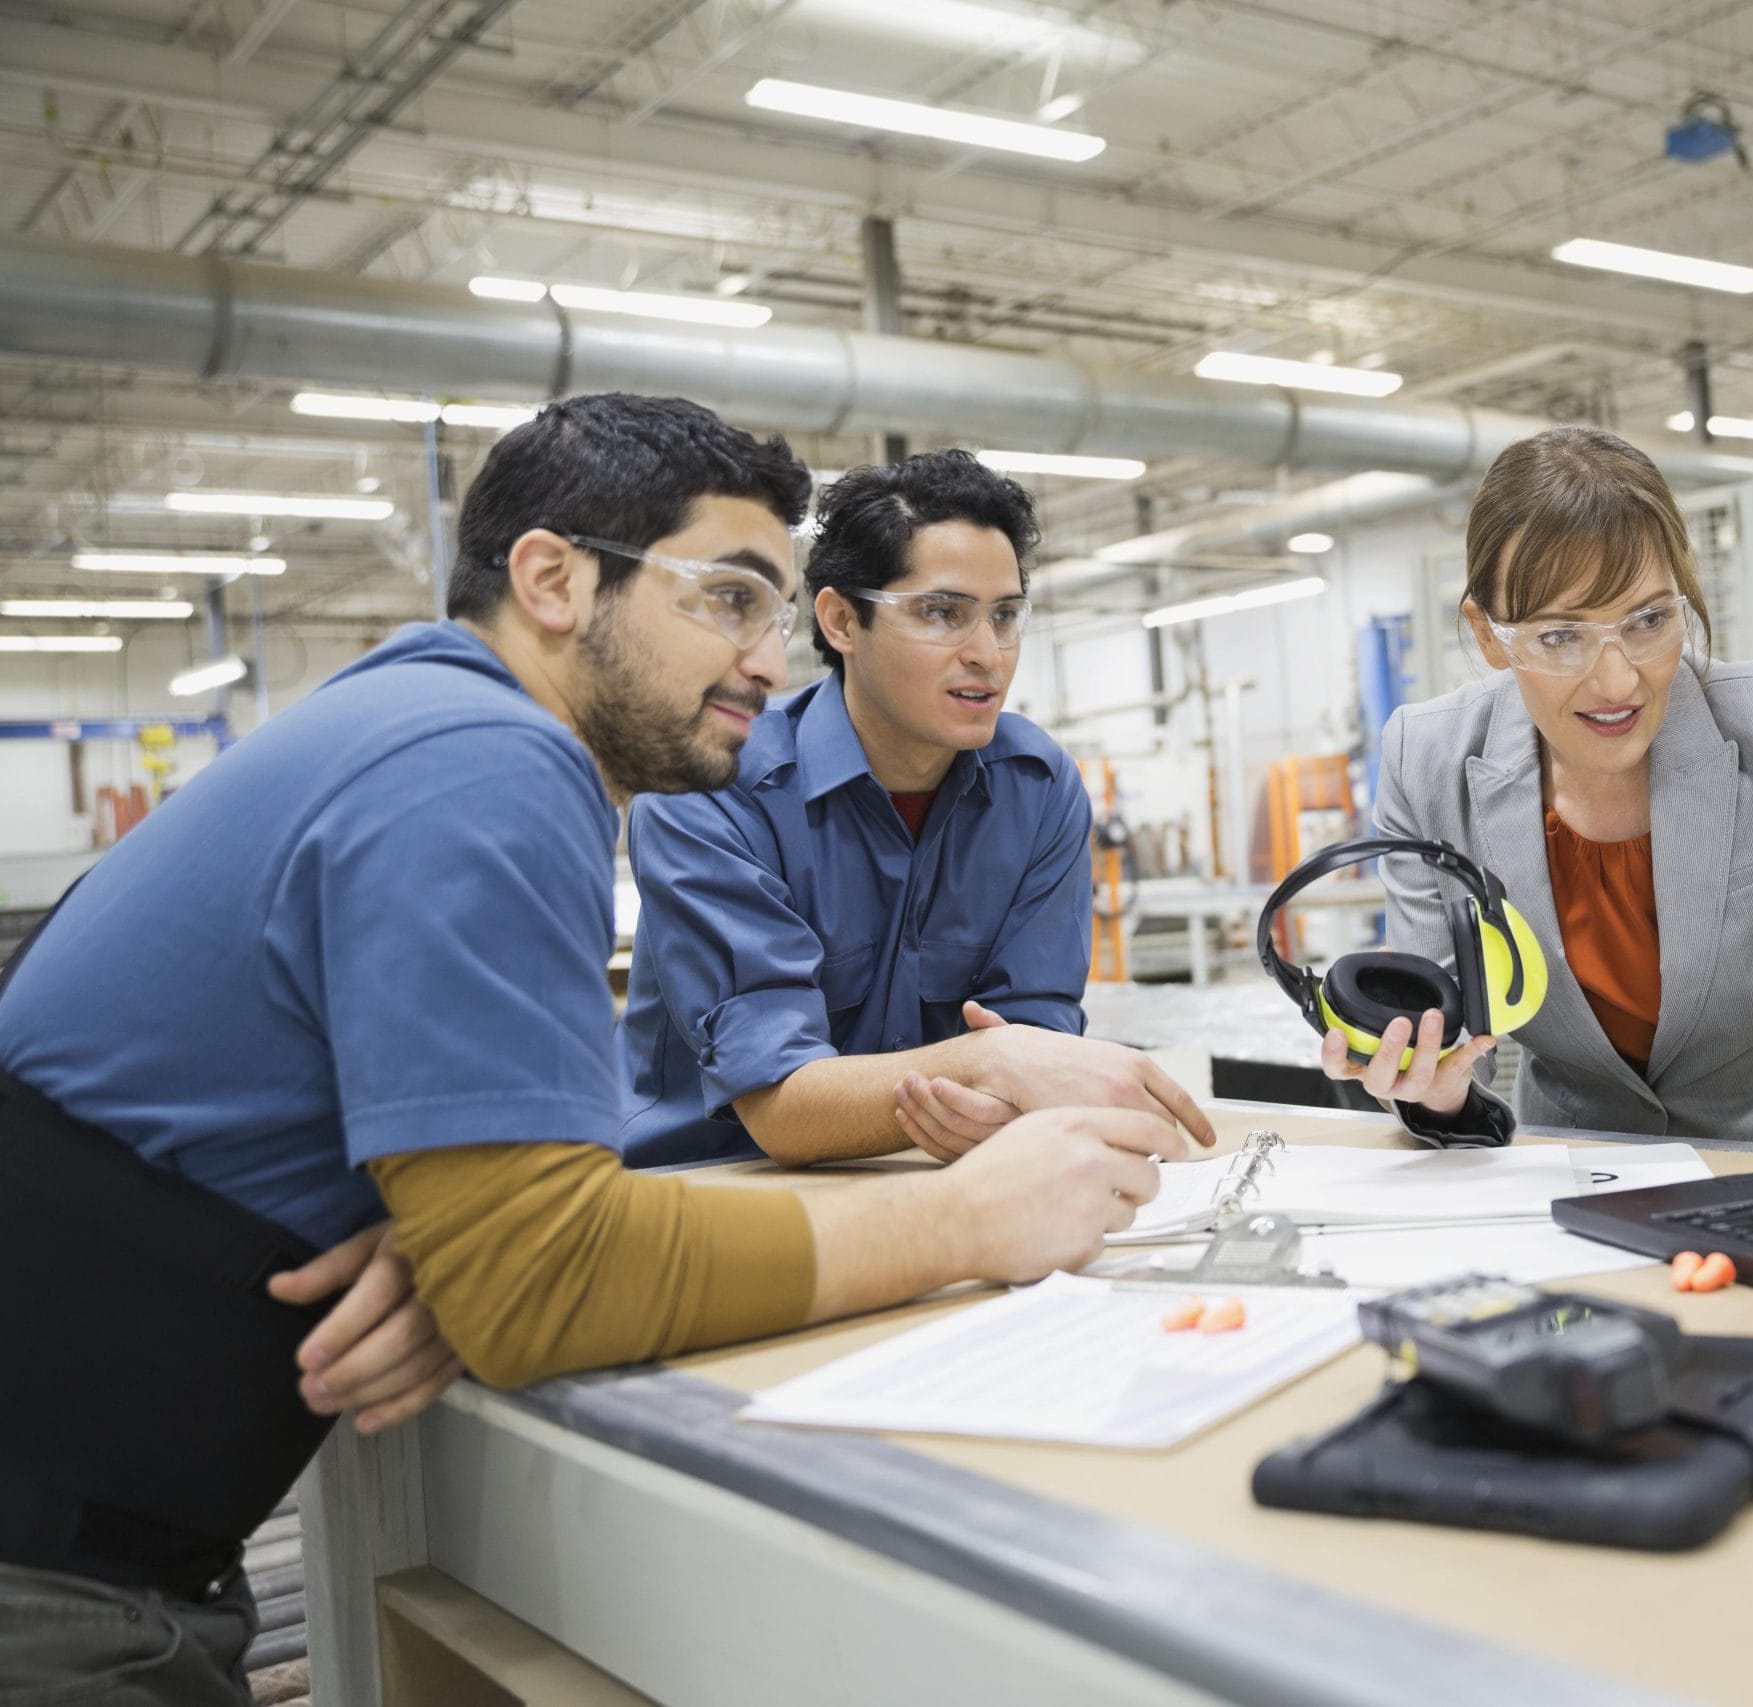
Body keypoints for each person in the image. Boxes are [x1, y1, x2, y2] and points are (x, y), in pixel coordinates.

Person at [0, 396, 1188, 1707]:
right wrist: (963, 1219)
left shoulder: (417, 729)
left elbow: (506, 1248)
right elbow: (543, 1281)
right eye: (728, 599)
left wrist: (459, 1233)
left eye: (773, 613)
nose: (762, 657)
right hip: (53, 1601)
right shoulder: (486, 766)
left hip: (109, 1562)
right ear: (554, 578)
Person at [1323, 424, 1753, 1144]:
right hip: (1570, 1172)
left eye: (1649, 620)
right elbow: (1434, 1036)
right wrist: (1433, 1094)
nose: (1617, 679)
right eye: (1561, 635)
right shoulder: (1429, 760)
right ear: (1488, 635)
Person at [618, 449, 1212, 1168]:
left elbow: (1034, 1043)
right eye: (942, 613)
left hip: (930, 1174)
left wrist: (1008, 1076)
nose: (987, 654)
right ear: (841, 621)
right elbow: (780, 1103)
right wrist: (995, 1068)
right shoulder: (712, 789)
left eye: (1005, 616)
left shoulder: (1038, 788)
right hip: (710, 1180)